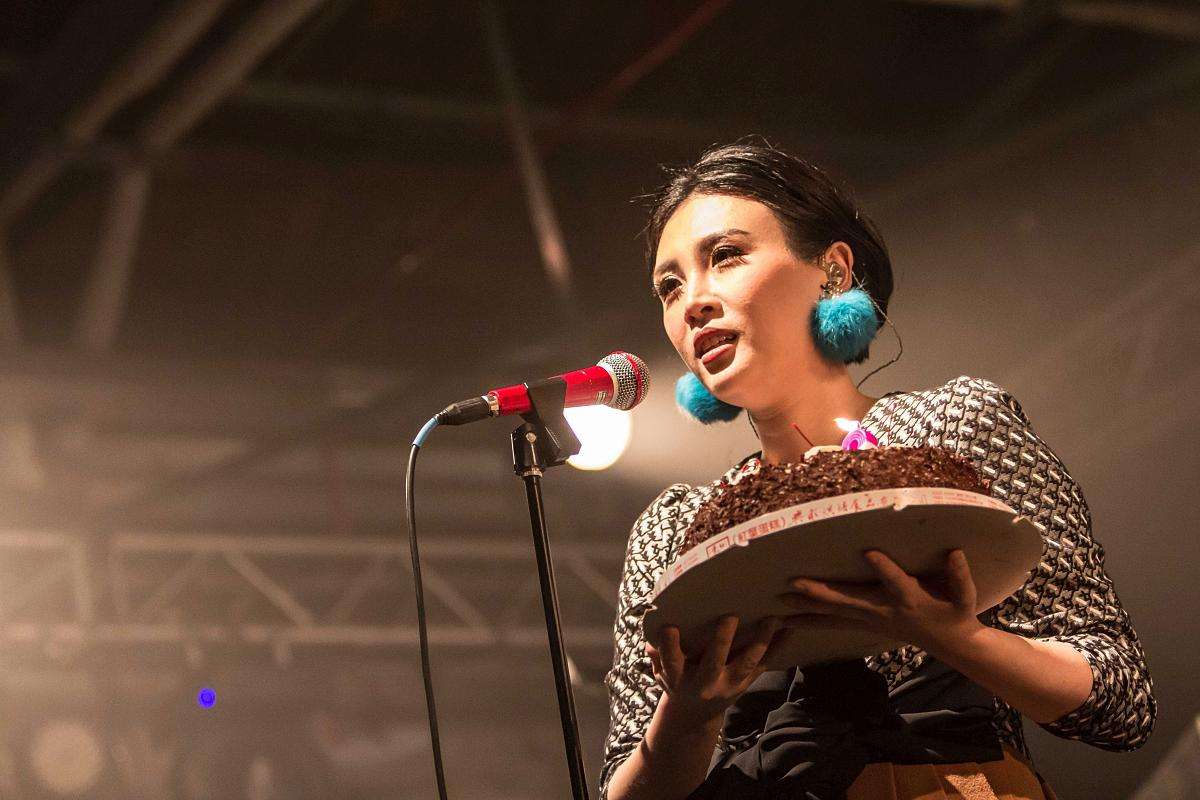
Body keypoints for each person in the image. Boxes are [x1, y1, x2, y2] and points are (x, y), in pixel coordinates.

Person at [599, 139, 1155, 800]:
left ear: (833, 271)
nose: (692, 300)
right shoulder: (675, 527)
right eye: (670, 286)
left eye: (725, 256)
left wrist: (957, 639)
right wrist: (688, 717)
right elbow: (621, 787)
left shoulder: (949, 430)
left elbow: (1121, 700)